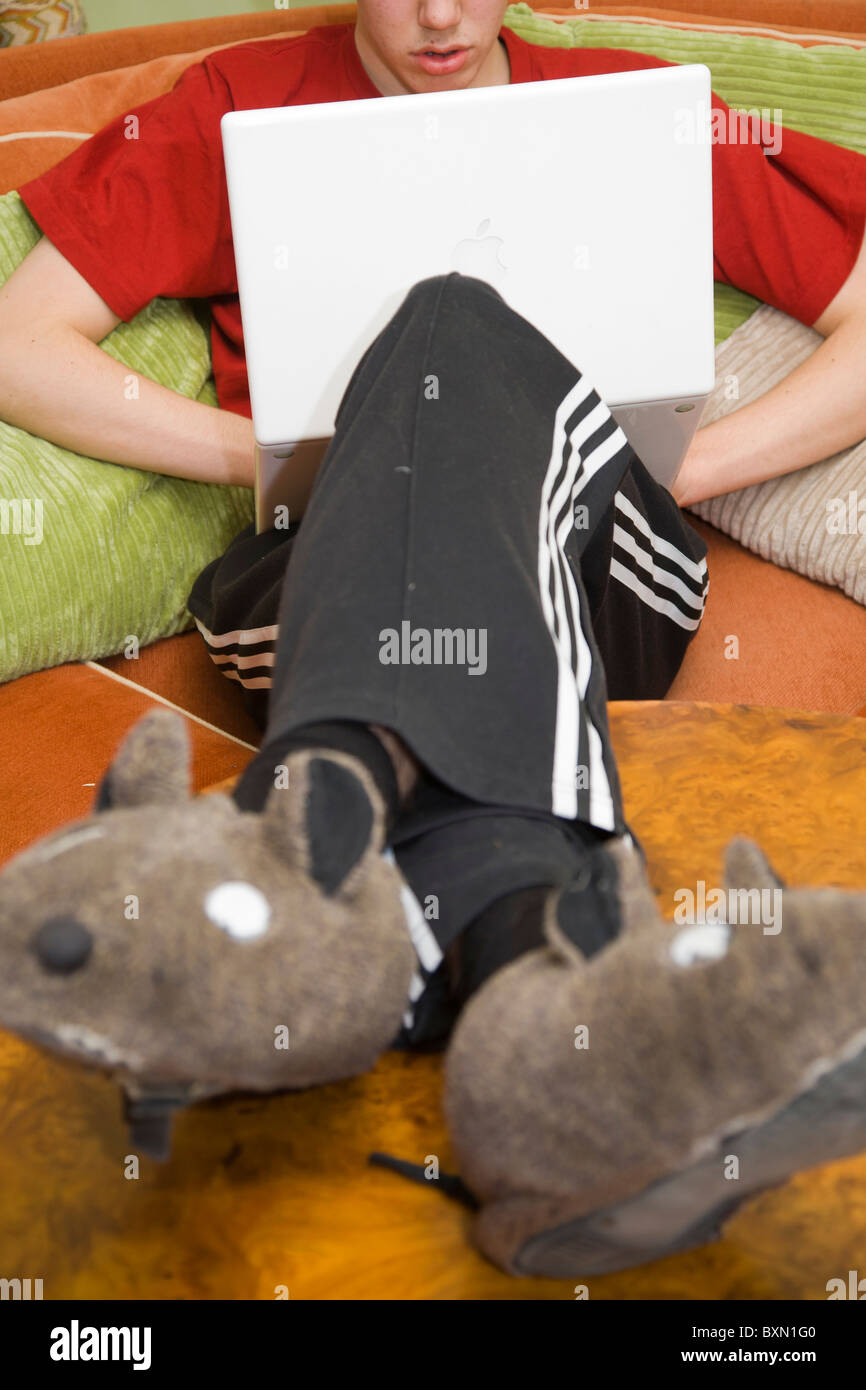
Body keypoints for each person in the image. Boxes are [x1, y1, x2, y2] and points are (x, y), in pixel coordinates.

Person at [0, 1, 865, 1272]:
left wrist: (688, 467)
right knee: (438, 336)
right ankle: (547, 1039)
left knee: (451, 318)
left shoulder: (633, 111)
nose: (443, 15)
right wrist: (269, 458)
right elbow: (21, 346)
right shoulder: (237, 106)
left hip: (586, 557)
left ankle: (313, 849)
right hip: (311, 573)